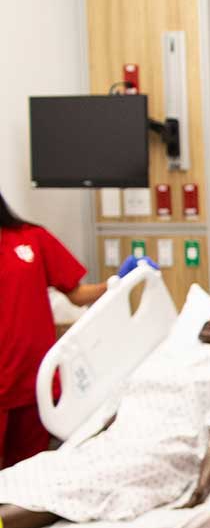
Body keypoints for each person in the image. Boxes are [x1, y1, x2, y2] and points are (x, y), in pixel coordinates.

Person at [0, 304, 210, 528]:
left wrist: (202, 488)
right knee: (46, 469)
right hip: (121, 437)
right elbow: (127, 399)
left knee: (81, 485)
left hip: (161, 448)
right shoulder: (173, 354)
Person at [0, 191, 151, 467]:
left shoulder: (31, 238)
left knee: (27, 475)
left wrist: (118, 281)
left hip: (31, 383)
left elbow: (77, 294)